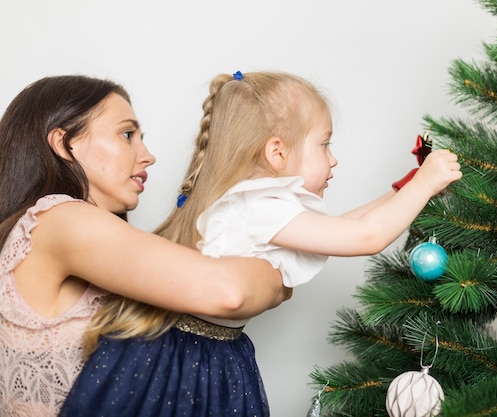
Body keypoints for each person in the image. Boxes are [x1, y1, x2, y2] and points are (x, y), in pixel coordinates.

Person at [60, 70, 462, 416]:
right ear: (276, 151)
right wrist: (425, 184)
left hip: (213, 350)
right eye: (324, 144)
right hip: (180, 360)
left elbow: (342, 227)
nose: (334, 159)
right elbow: (365, 236)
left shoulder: (264, 205)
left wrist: (405, 190)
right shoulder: (257, 204)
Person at [0, 75, 291, 417]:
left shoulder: (64, 232)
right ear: (65, 144)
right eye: (127, 135)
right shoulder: (59, 219)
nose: (148, 156)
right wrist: (286, 264)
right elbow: (228, 292)